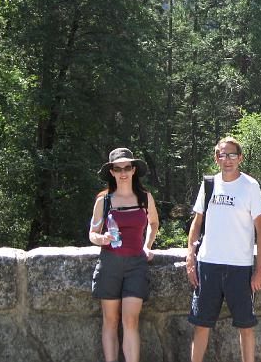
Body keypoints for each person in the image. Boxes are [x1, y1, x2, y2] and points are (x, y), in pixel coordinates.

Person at [186, 137, 261, 362]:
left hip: (240, 267)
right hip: (208, 264)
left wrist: (259, 270)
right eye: (223, 154)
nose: (228, 159)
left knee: (246, 325)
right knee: (201, 325)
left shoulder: (250, 186)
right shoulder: (209, 184)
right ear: (216, 158)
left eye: (232, 154)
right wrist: (190, 259)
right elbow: (197, 222)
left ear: (240, 158)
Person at [89, 148, 159, 362]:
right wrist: (101, 239)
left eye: (127, 167)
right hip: (109, 263)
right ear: (111, 172)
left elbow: (153, 223)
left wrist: (147, 245)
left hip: (136, 264)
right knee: (110, 320)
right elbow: (92, 233)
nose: (123, 172)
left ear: (134, 169)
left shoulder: (145, 198)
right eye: (117, 168)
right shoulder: (104, 201)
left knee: (130, 320)